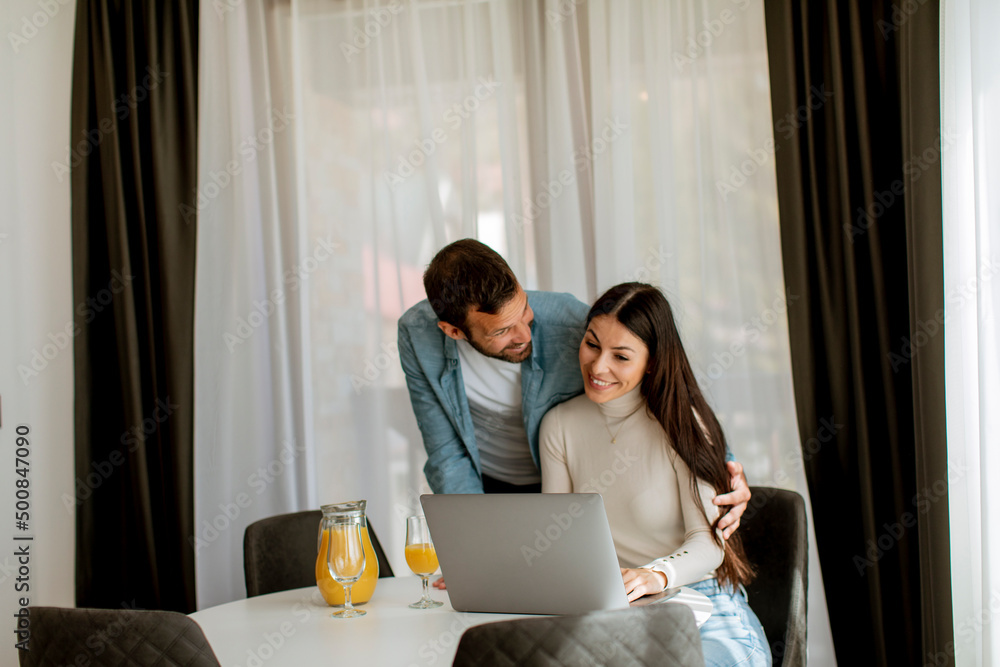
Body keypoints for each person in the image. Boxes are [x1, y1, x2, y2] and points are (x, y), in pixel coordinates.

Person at [398, 239, 750, 533]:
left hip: (570, 489)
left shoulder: (572, 325)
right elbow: (446, 451)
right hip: (486, 490)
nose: (524, 334)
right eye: (502, 331)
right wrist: (473, 541)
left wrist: (724, 468)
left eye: (524, 310)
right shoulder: (417, 335)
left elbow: (663, 380)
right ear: (453, 331)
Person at [540, 282, 770, 666]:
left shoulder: (683, 423)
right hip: (616, 608)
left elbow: (709, 544)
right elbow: (555, 538)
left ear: (653, 360)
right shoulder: (559, 426)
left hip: (704, 606)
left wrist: (654, 575)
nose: (598, 367)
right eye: (592, 344)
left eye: (621, 356)